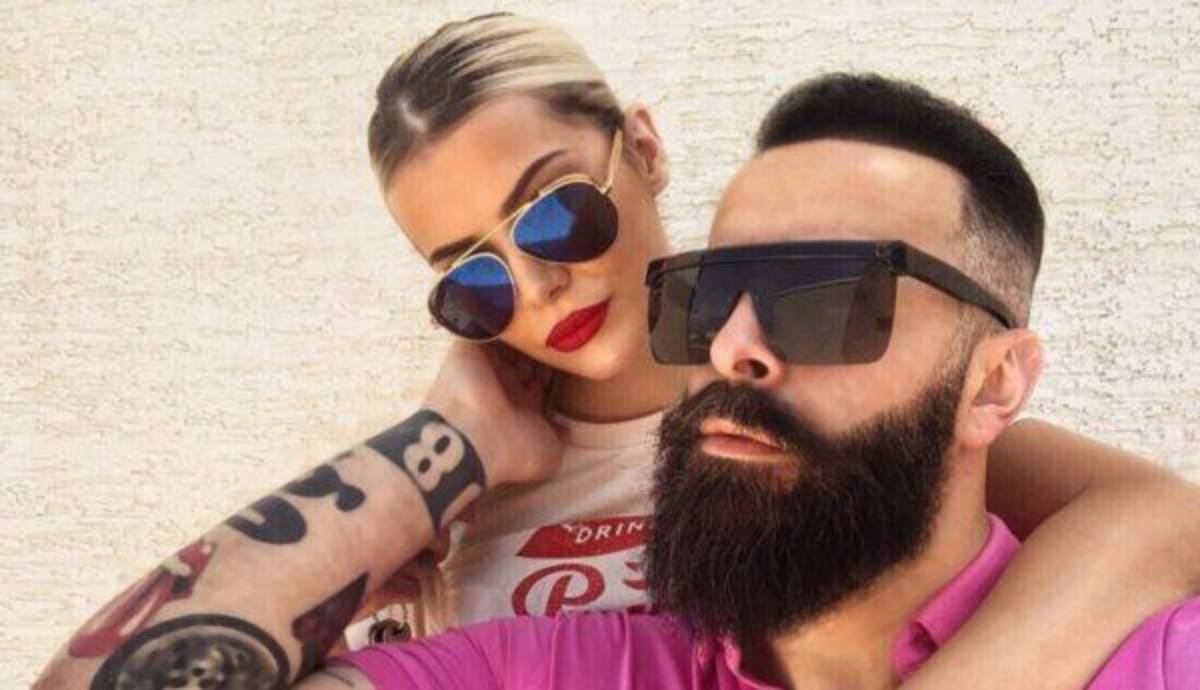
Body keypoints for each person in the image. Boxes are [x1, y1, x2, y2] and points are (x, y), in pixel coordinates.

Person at [33, 17, 1199, 690]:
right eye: (473, 275)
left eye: (554, 214)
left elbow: (1150, 518)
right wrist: (443, 448)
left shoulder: (873, 435)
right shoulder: (527, 588)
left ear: (642, 147)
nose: (537, 283)